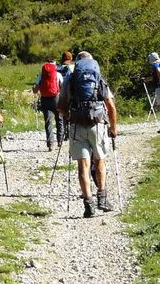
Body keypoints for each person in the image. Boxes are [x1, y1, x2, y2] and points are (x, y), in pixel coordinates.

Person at [58, 51, 118, 218]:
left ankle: (88, 204)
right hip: (97, 125)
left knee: (82, 166)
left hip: (77, 125)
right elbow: (111, 107)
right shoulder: (98, 79)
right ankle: (102, 198)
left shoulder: (70, 80)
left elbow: (60, 107)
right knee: (99, 161)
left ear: (77, 64)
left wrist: (70, 117)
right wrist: (113, 128)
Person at [33, 58, 64, 151]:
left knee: (48, 121)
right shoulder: (58, 74)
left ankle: (50, 144)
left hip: (44, 99)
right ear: (54, 65)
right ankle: (60, 141)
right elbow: (62, 87)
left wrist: (35, 89)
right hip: (56, 98)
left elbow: (35, 90)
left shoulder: (41, 75)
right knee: (59, 119)